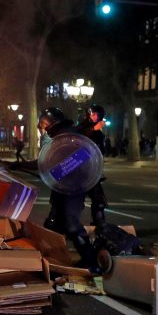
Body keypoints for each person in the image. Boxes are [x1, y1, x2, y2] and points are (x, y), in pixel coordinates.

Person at [38, 107, 97, 270]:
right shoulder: (61, 137)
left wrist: (56, 170)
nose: (44, 128)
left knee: (71, 225)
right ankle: (52, 263)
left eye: (44, 124)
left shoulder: (68, 137)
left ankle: (92, 263)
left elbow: (80, 159)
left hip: (73, 188)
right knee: (53, 225)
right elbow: (48, 163)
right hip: (63, 188)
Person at [77, 104, 109, 226]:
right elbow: (78, 138)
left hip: (93, 170)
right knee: (75, 201)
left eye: (97, 115)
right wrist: (93, 129)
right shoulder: (81, 127)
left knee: (99, 201)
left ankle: (100, 224)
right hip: (80, 169)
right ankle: (70, 225)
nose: (95, 117)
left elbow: (101, 149)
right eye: (93, 114)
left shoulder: (99, 133)